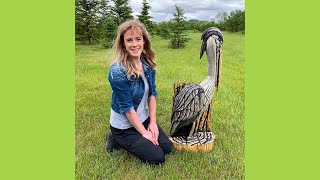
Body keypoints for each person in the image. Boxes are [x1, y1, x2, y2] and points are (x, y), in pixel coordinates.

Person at [106, 19, 172, 165]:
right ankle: (115, 137)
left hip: (143, 117)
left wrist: (153, 123)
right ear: (123, 43)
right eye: (129, 40)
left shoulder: (147, 64)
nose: (134, 44)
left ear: (144, 41)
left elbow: (152, 94)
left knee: (167, 148)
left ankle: (139, 132)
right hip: (124, 126)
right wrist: (144, 133)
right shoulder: (117, 71)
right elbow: (128, 108)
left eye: (138, 39)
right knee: (157, 158)